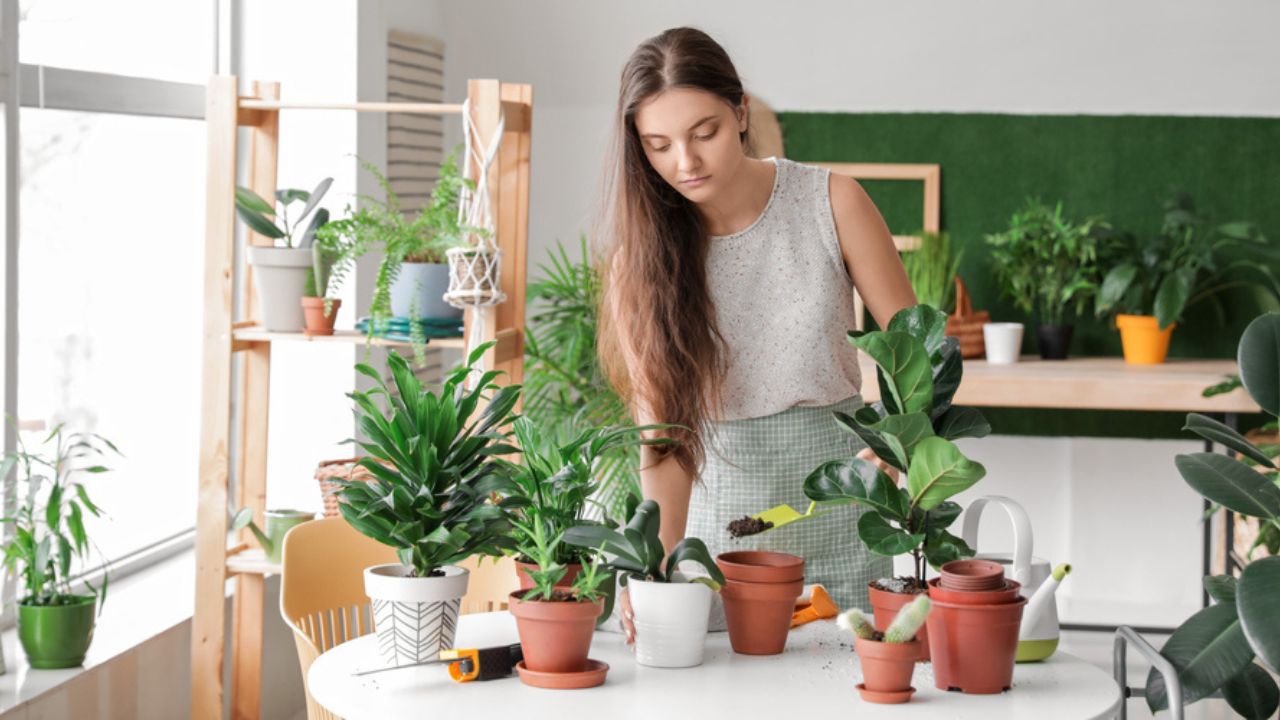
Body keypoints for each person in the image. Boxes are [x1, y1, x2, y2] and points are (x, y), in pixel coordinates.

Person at [596, 27, 918, 639]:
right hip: (717, 526)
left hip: (843, 499)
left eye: (704, 133)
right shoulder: (638, 263)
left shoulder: (831, 201)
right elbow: (662, 435)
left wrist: (900, 443)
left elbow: (918, 353)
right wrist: (656, 564)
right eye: (658, 145)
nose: (684, 163)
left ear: (740, 112)